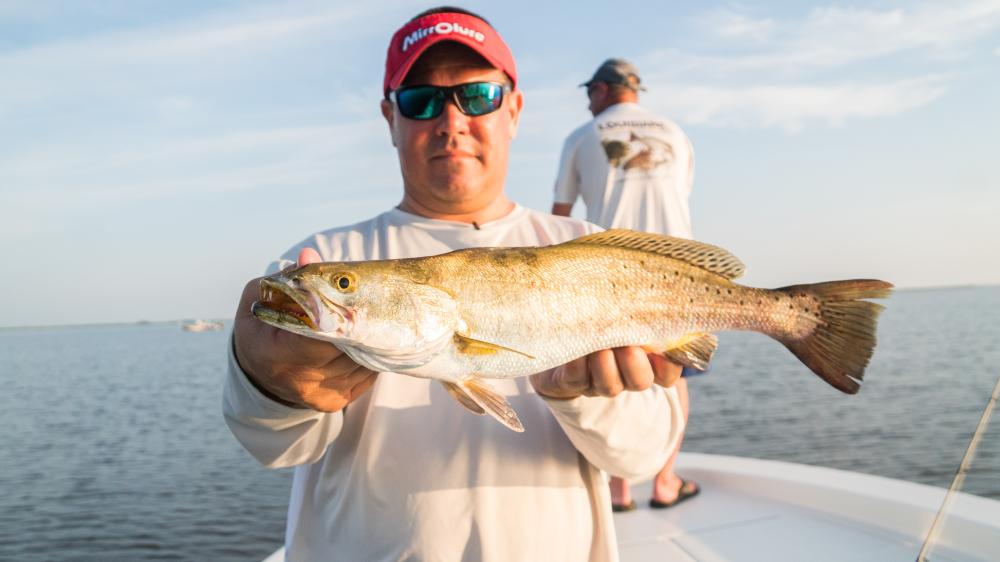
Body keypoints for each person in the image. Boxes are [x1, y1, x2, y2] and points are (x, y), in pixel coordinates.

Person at [224, 8, 685, 561]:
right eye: (421, 100)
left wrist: (583, 398)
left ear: (513, 110)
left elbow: (640, 459)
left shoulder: (591, 246)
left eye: (479, 96)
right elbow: (273, 445)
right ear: (390, 118)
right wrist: (270, 385)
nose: (451, 121)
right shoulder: (319, 259)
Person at [551, 58, 700, 512]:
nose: (587, 103)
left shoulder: (581, 136)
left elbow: (560, 215)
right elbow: (680, 197)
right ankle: (665, 482)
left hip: (609, 277)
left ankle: (619, 492)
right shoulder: (675, 133)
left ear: (600, 90)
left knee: (610, 371)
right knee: (673, 377)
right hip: (679, 273)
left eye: (588, 94)